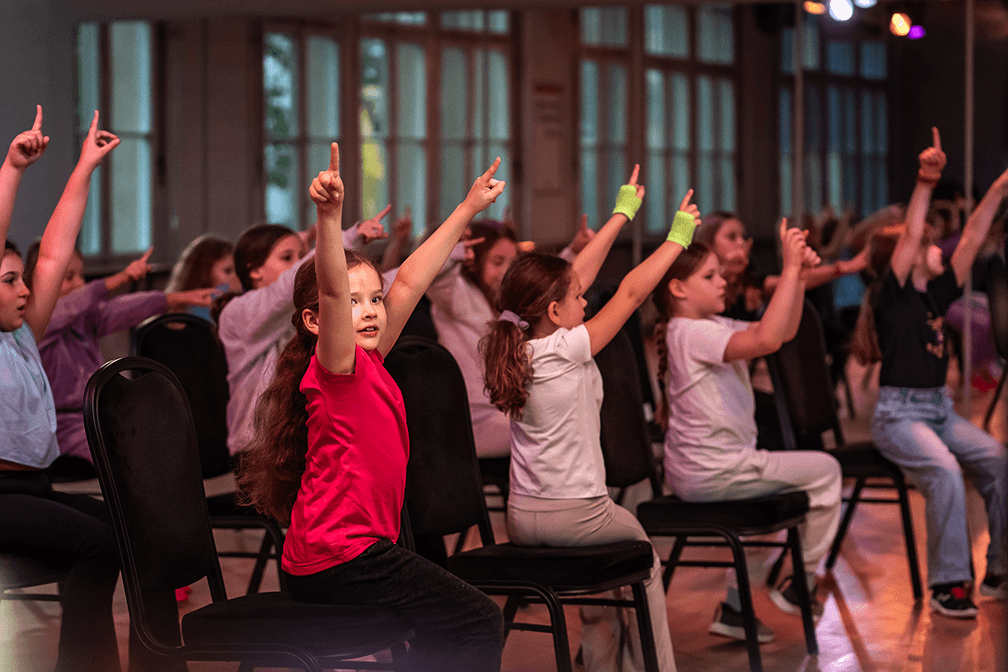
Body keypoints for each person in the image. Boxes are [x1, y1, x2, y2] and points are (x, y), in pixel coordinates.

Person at [237, 143, 506, 671]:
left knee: (449, 624)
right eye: (355, 303)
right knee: (478, 620)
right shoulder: (336, 369)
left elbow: (408, 279)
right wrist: (329, 218)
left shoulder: (371, 360)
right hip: (338, 559)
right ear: (316, 323)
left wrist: (468, 207)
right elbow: (334, 294)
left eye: (374, 300)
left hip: (354, 555)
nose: (369, 310)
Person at [481, 168, 698, 672]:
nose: (585, 299)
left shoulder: (522, 345)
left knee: (601, 596)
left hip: (523, 515)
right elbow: (630, 294)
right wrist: (677, 238)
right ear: (554, 312)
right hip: (576, 513)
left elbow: (577, 273)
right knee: (645, 563)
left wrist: (622, 211)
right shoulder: (564, 349)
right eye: (577, 299)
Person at [0, 106, 180, 672]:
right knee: (99, 544)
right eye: (9, 281)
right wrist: (12, 169)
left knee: (135, 530)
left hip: (35, 490)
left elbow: (53, 252)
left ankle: (160, 663)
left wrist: (84, 168)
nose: (26, 289)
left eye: (22, 279)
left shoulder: (24, 338)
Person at [651, 216, 840, 644]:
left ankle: (737, 606)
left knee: (778, 502)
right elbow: (767, 340)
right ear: (678, 289)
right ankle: (800, 584)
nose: (722, 283)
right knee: (826, 471)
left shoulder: (708, 326)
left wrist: (796, 276)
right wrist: (791, 270)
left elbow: (779, 331)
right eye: (710, 276)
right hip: (714, 470)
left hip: (712, 469)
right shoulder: (690, 332)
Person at [852, 128, 1008, 618]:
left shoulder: (935, 294)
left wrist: (1001, 187)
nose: (942, 244)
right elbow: (915, 231)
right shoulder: (894, 297)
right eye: (928, 242)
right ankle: (949, 584)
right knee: (943, 471)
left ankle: (999, 567)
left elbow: (977, 233)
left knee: (998, 459)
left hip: (937, 410)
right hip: (899, 417)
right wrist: (925, 181)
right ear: (909, 256)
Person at [216, 210, 390, 456]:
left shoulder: (303, 311)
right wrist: (350, 236)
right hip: (257, 447)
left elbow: (399, 283)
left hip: (299, 439)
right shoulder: (238, 313)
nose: (297, 262)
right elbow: (289, 284)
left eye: (301, 255)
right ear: (254, 270)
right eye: (288, 257)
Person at [30, 244, 214, 475]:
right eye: (69, 277)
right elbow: (68, 307)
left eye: (80, 275)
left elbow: (122, 309)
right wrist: (120, 278)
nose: (80, 283)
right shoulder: (38, 324)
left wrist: (174, 299)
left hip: (95, 416)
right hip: (64, 428)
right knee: (126, 457)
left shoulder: (84, 319)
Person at [166, 233, 239, 320]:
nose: (237, 277)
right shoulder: (200, 309)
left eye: (238, 270)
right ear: (203, 274)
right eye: (228, 271)